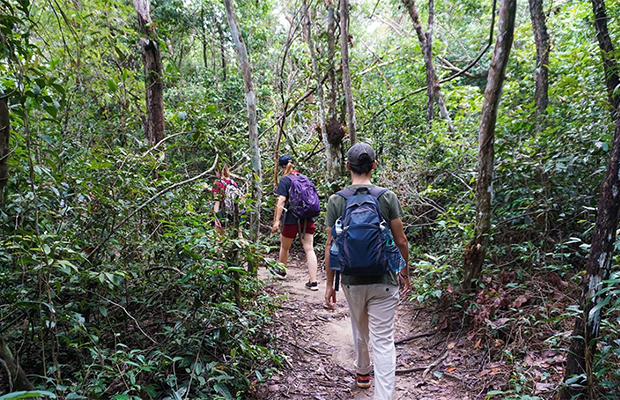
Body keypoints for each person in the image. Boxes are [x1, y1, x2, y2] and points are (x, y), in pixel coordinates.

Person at [324, 142, 410, 399]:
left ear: (347, 167)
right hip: (384, 279)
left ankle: (362, 372)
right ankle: (382, 396)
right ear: (374, 165)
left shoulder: (337, 200)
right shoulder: (387, 197)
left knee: (359, 327)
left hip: (351, 280)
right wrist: (404, 273)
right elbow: (401, 241)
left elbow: (331, 245)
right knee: (383, 341)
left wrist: (330, 284)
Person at [271, 155, 319, 290]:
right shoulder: (303, 178)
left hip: (291, 219)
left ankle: (281, 271)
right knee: (309, 248)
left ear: (281, 167)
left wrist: (276, 221)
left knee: (285, 247)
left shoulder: (285, 180)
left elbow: (281, 200)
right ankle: (313, 281)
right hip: (307, 218)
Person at [211, 165, 242, 235]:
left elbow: (217, 202)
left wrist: (216, 217)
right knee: (238, 236)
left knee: (219, 238)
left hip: (223, 212)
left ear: (218, 171)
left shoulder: (217, 184)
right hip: (236, 212)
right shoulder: (233, 183)